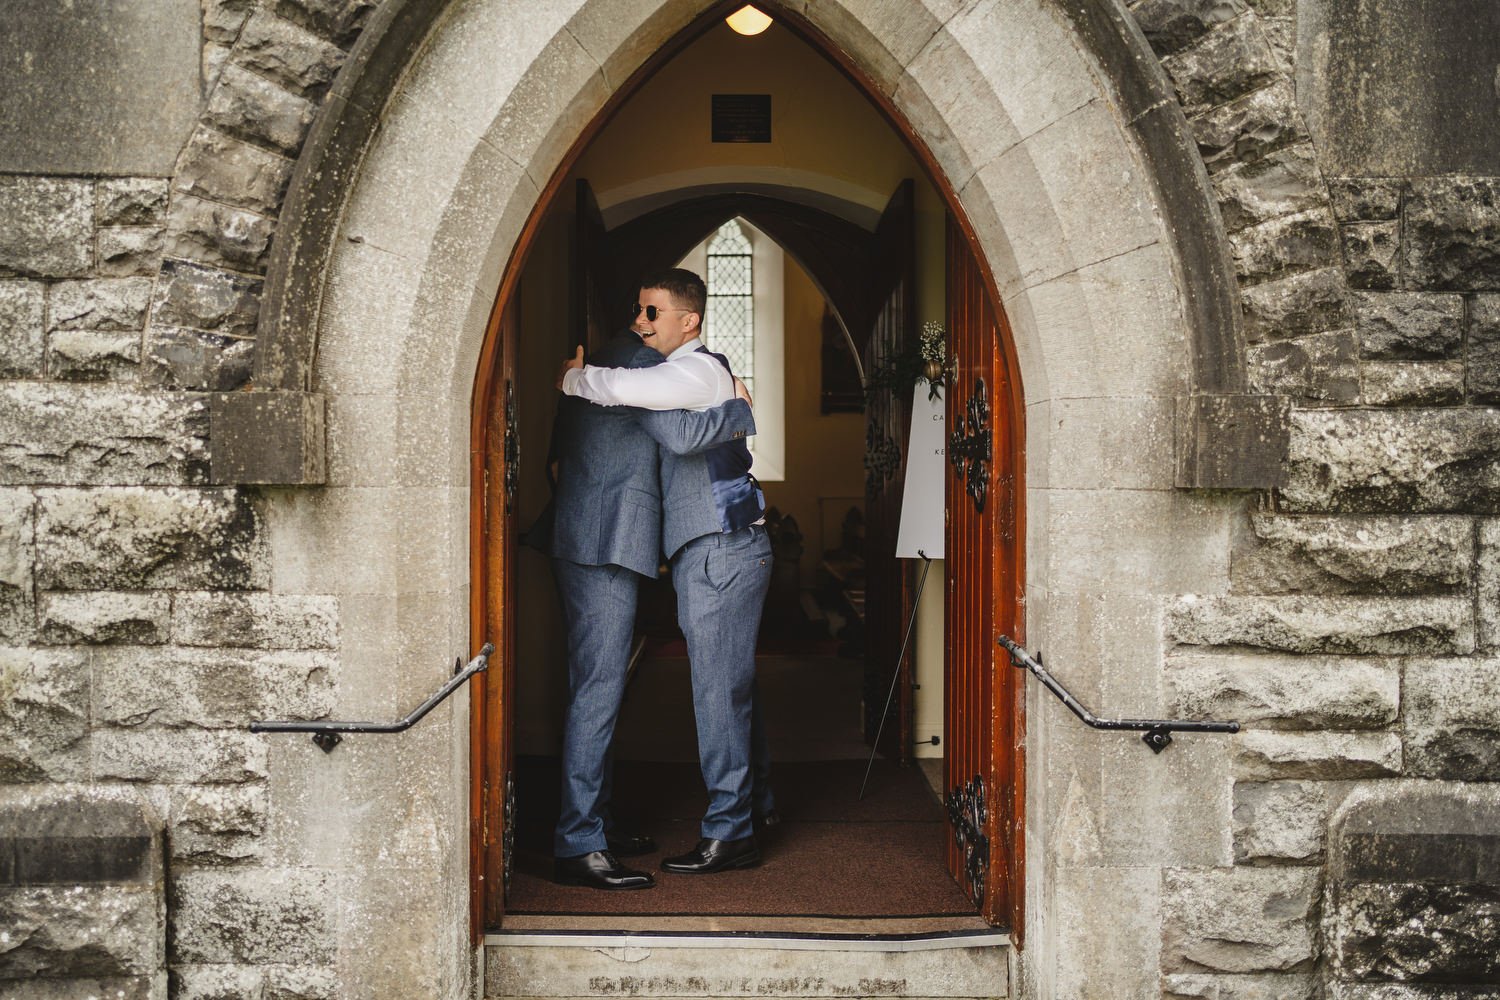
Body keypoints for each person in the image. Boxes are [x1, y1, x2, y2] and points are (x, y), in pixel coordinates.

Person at [529, 322, 757, 891]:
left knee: (601, 684)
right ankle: (579, 842)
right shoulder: (639, 369)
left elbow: (556, 463)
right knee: (599, 687)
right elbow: (681, 436)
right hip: (605, 539)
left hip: (593, 533)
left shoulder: (598, 370)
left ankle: (596, 822)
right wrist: (738, 409)